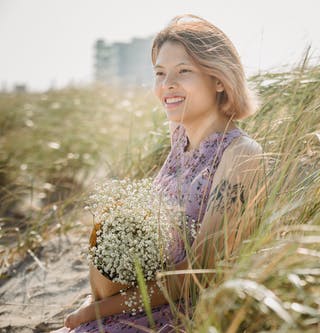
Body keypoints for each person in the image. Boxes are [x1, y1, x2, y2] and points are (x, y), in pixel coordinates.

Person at [53, 14, 264, 333]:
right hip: (141, 302)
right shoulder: (179, 139)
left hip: (184, 315)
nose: (167, 85)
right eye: (160, 73)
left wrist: (94, 311)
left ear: (219, 79)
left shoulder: (242, 155)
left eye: (184, 72)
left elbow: (201, 274)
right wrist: (96, 299)